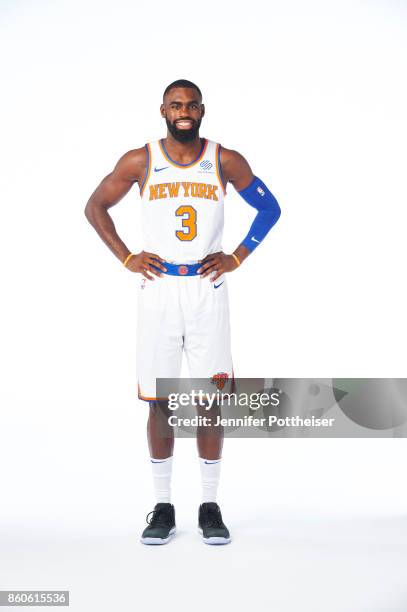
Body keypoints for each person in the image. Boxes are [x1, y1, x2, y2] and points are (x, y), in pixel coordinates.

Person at [84, 79, 281, 545]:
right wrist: (126, 256)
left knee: (210, 400)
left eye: (191, 104)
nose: (184, 110)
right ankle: (163, 504)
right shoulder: (140, 160)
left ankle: (210, 505)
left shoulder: (225, 160)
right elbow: (95, 207)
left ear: (202, 110)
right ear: (163, 110)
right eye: (176, 105)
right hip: (158, 288)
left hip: (206, 287)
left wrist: (238, 255)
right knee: (161, 401)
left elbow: (269, 209)